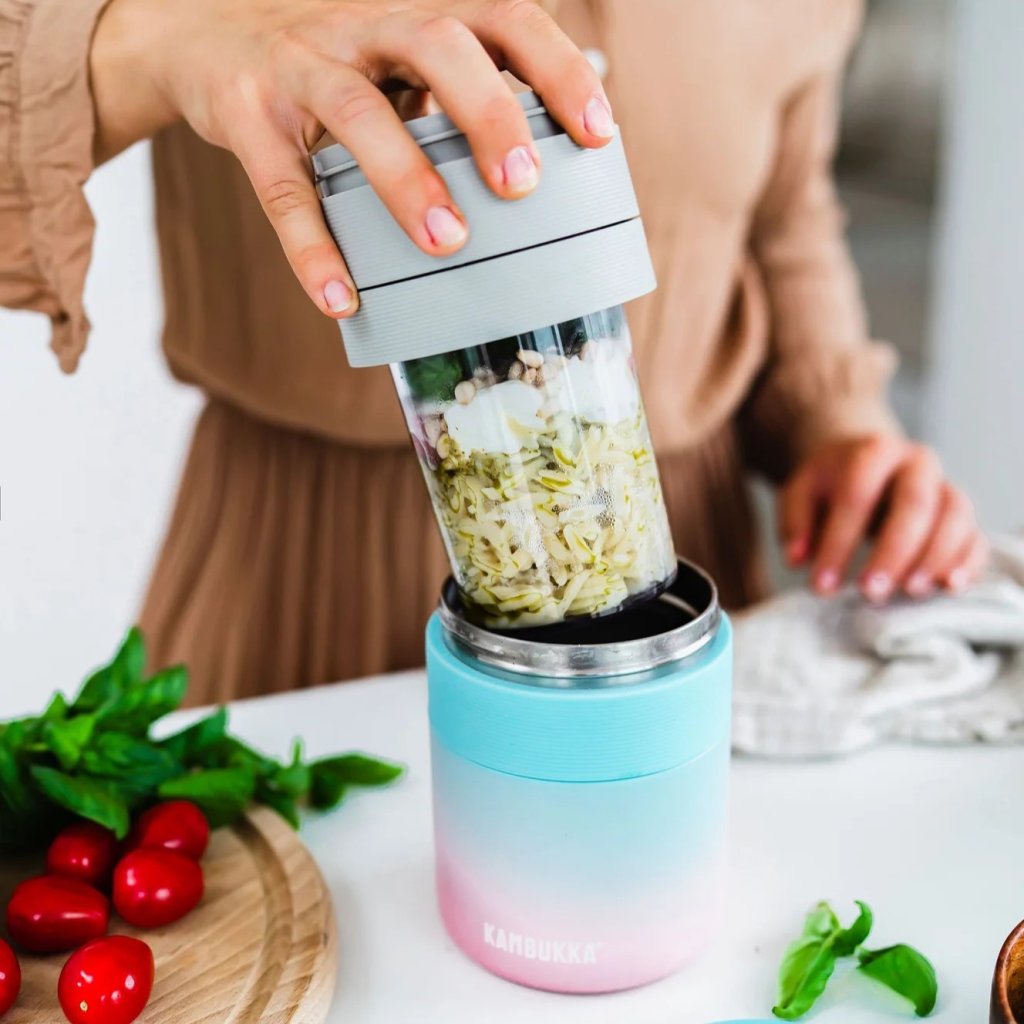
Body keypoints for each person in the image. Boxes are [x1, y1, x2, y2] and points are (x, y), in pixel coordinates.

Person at [0, 0, 985, 705]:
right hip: (296, 578)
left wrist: (836, 428)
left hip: (673, 557)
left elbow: (780, 216)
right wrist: (157, 36)